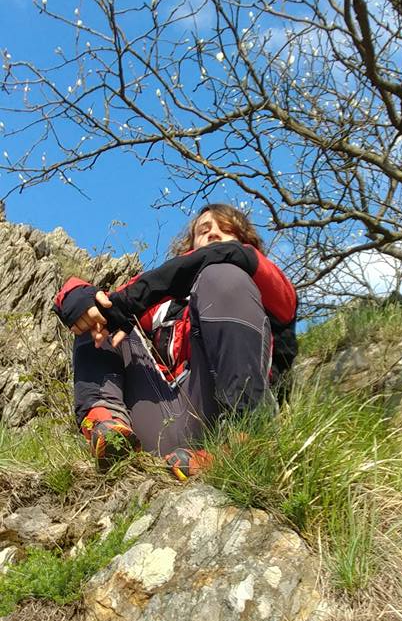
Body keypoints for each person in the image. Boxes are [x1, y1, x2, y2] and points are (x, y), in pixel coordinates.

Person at [54, 203, 298, 479]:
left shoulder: (272, 285)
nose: (214, 234)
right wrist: (76, 297)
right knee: (97, 316)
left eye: (226, 229)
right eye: (203, 230)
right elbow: (104, 302)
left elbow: (229, 256)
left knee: (223, 274)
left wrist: (131, 299)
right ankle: (106, 426)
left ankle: (245, 444)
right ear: (190, 243)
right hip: (163, 421)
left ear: (245, 241)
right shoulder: (164, 305)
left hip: (224, 417)